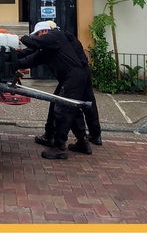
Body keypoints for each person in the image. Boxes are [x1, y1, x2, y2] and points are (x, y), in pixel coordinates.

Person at [16, 21, 91, 159]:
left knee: (63, 110)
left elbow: (35, 43)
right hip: (70, 79)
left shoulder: (55, 35)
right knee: (68, 108)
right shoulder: (49, 49)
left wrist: (20, 38)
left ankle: (59, 147)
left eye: (38, 34)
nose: (38, 37)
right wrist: (11, 59)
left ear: (44, 31)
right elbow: (29, 60)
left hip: (74, 77)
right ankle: (81, 142)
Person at [34, 21, 102, 147]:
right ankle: (94, 135)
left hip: (74, 75)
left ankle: (53, 137)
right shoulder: (68, 37)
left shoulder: (60, 39)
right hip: (82, 72)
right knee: (86, 104)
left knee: (65, 104)